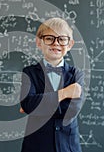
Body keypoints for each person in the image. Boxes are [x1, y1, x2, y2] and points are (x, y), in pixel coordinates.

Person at [20, 17, 85, 152]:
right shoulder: (29, 73)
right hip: (36, 145)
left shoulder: (76, 74)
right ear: (39, 42)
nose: (56, 44)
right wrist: (63, 93)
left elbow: (72, 110)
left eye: (62, 39)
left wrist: (39, 105)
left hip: (68, 146)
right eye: (49, 38)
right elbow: (29, 104)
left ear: (70, 44)